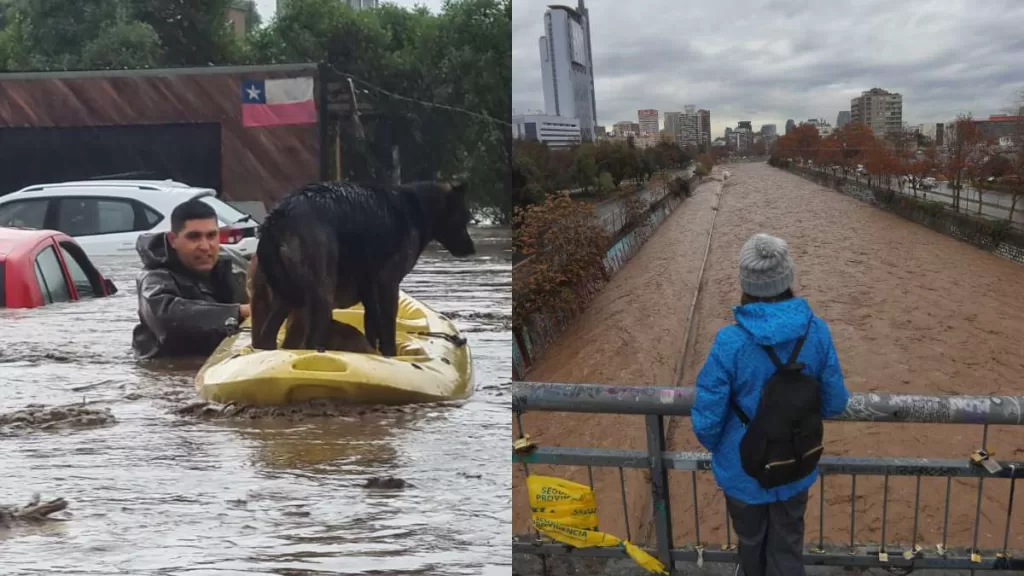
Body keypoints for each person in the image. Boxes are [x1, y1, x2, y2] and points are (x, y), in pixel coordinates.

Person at [691, 233, 849, 576]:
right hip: (795, 461)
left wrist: (726, 450)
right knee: (789, 542)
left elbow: (707, 421)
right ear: (788, 278)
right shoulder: (817, 332)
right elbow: (835, 402)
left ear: (745, 284)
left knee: (750, 543)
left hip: (744, 468)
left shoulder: (729, 342)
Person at [132, 199, 250, 360]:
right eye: (194, 237)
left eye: (211, 235)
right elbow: (165, 316)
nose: (205, 246)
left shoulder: (234, 264)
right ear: (173, 240)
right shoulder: (154, 277)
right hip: (170, 368)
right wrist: (240, 312)